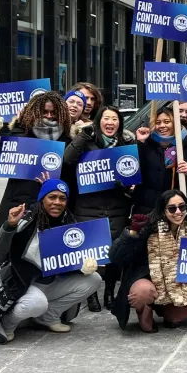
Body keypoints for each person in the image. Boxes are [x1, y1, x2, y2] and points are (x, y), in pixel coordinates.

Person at [0, 180, 101, 343]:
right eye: (52, 197)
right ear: (42, 198)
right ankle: (8, 323)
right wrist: (9, 226)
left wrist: (82, 266)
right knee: (37, 303)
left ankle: (48, 317)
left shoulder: (70, 224)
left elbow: (67, 261)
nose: (57, 202)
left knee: (94, 279)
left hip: (50, 282)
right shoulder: (25, 220)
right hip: (22, 283)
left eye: (62, 198)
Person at [109, 190, 187, 332]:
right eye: (172, 208)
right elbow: (116, 257)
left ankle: (171, 315)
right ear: (162, 210)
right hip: (149, 281)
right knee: (142, 292)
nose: (178, 212)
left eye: (182, 207)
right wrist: (132, 233)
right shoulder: (148, 226)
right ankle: (146, 315)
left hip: (177, 283)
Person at [63, 105, 135, 312]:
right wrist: (82, 137)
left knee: (114, 253)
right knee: (89, 252)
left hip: (116, 207)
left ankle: (109, 291)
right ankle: (91, 293)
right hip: (88, 206)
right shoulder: (86, 142)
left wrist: (128, 187)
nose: (110, 122)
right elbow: (67, 161)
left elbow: (133, 174)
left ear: (120, 123)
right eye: (106, 118)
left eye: (115, 119)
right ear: (98, 121)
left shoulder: (126, 144)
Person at [0, 91, 74, 235]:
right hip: (19, 204)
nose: (49, 116)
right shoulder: (19, 133)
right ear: (34, 112)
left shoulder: (68, 139)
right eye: (45, 112)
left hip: (54, 208)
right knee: (10, 252)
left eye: (53, 112)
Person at [132, 106, 187, 215]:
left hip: (174, 210)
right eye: (158, 122)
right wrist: (140, 143)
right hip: (146, 208)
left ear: (175, 123)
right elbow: (134, 170)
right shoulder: (147, 145)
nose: (162, 126)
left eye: (167, 122)